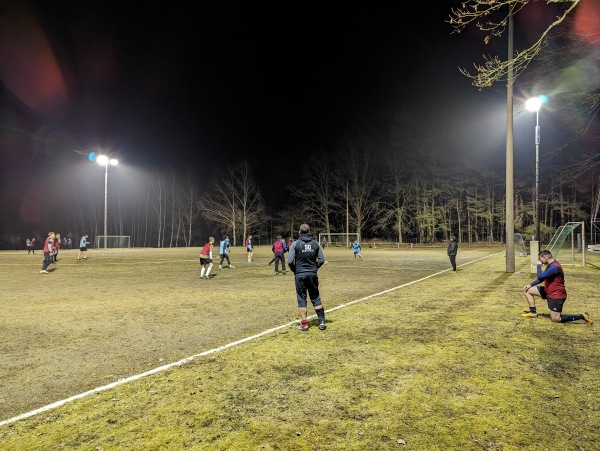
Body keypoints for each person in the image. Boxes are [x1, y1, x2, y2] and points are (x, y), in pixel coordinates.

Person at [521, 249, 593, 324]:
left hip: (556, 295)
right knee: (527, 290)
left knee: (555, 319)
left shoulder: (555, 267)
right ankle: (533, 312)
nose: (540, 261)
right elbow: (542, 278)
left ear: (545, 258)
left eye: (540, 259)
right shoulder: (550, 265)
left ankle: (582, 316)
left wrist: (539, 266)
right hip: (548, 291)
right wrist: (530, 285)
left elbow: (540, 277)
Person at [288, 223, 326, 331]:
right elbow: (322, 260)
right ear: (309, 232)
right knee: (315, 296)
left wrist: (295, 270)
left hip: (300, 275)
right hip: (312, 274)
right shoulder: (315, 244)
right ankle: (322, 321)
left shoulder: (295, 244)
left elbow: (290, 261)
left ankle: (304, 324)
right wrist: (315, 268)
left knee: (301, 298)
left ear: (299, 232)